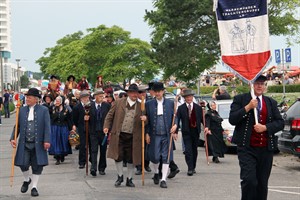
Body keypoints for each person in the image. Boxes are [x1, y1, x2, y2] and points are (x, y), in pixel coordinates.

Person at [229, 75, 284, 200]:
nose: (259, 86)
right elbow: (232, 119)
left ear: (265, 86)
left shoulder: (271, 102)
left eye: (262, 83)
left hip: (265, 149)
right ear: (251, 84)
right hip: (247, 148)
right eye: (257, 83)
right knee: (249, 180)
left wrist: (266, 127)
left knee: (262, 184)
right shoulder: (240, 99)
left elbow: (280, 122)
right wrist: (247, 107)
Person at [10, 88, 51, 197]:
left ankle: (34, 187)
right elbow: (17, 125)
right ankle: (26, 179)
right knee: (22, 163)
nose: (27, 99)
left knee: (37, 165)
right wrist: (13, 138)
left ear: (36, 99)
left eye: (29, 97)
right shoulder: (22, 110)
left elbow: (47, 126)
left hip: (39, 143)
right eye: (27, 97)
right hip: (24, 142)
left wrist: (47, 140)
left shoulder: (44, 110)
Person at [103, 83, 146, 187]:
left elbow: (145, 122)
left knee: (131, 158)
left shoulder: (142, 106)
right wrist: (106, 126)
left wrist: (146, 119)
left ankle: (129, 179)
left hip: (133, 136)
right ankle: (120, 176)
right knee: (118, 156)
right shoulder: (118, 102)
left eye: (136, 93)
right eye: (132, 92)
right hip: (119, 134)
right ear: (128, 93)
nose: (134, 95)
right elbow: (109, 116)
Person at [145, 82, 177, 188]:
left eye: (159, 91)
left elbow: (175, 117)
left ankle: (163, 179)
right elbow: (147, 121)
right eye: (156, 91)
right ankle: (155, 173)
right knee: (154, 156)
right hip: (154, 134)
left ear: (163, 91)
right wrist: (147, 133)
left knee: (166, 156)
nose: (158, 93)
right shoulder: (148, 104)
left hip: (166, 134)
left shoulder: (170, 103)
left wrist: (175, 126)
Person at [176, 89, 204, 175]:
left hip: (195, 131)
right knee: (188, 150)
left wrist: (207, 128)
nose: (189, 98)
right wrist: (175, 131)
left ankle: (193, 166)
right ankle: (190, 168)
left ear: (192, 97)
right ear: (184, 98)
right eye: (187, 97)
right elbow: (177, 120)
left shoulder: (198, 108)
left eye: (190, 97)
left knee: (194, 150)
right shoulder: (181, 108)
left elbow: (203, 120)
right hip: (186, 131)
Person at [88, 89, 111, 176]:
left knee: (103, 150)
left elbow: (110, 118)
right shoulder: (90, 105)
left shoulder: (106, 106)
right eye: (100, 96)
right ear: (95, 97)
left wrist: (108, 128)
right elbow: (86, 116)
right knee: (93, 150)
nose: (102, 98)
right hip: (93, 131)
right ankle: (93, 168)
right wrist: (86, 118)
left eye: (103, 96)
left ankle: (102, 168)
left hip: (103, 132)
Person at [48, 96, 73, 165]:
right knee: (56, 142)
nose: (57, 102)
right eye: (56, 100)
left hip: (63, 127)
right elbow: (50, 117)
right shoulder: (52, 108)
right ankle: (57, 157)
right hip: (55, 127)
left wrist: (71, 127)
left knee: (63, 141)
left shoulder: (66, 109)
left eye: (59, 100)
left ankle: (62, 155)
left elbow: (69, 119)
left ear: (61, 101)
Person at [72, 90, 91, 169]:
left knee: (92, 145)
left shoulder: (91, 106)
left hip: (91, 127)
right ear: (81, 98)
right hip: (82, 127)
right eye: (84, 97)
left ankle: (92, 160)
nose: (86, 99)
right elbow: (75, 118)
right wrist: (78, 125)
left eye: (87, 97)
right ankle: (82, 162)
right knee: (82, 145)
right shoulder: (77, 107)